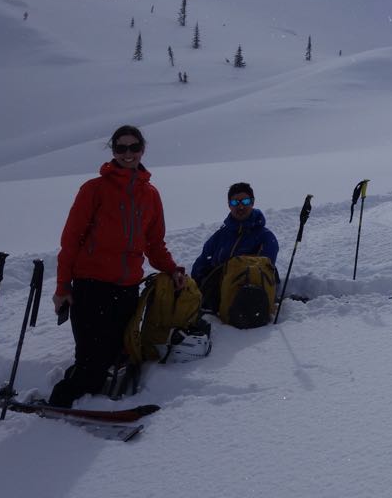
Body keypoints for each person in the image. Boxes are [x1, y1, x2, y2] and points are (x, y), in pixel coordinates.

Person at [49, 125, 186, 407]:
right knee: (92, 361)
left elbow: (154, 244)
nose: (127, 153)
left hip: (126, 289)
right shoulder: (94, 189)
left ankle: (89, 401)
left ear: (142, 150)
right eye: (121, 148)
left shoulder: (150, 195)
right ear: (113, 151)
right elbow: (71, 241)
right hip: (91, 286)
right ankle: (57, 406)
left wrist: (172, 270)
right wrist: (63, 286)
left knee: (114, 354)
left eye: (133, 147)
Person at [191, 182, 279, 311]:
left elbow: (264, 272)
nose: (240, 206)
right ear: (229, 205)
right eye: (235, 202)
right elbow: (201, 263)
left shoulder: (265, 237)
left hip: (249, 303)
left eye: (245, 201)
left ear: (252, 202)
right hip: (215, 300)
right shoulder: (220, 236)